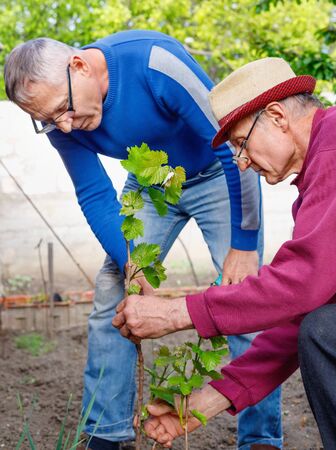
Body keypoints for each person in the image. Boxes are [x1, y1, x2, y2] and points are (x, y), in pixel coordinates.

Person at [4, 32, 283, 450]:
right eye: (48, 120)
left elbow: (232, 145)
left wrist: (243, 244)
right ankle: (106, 432)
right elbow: (94, 192)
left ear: (79, 66)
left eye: (64, 109)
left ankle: (261, 438)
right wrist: (129, 263)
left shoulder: (155, 63)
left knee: (247, 298)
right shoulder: (59, 117)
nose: (63, 125)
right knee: (112, 292)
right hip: (153, 185)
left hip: (218, 175)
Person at [113, 56, 336, 450]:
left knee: (329, 333)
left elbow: (303, 284)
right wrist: (201, 405)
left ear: (277, 116)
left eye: (242, 143)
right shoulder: (324, 171)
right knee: (325, 330)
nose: (241, 162)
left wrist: (177, 312)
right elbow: (300, 313)